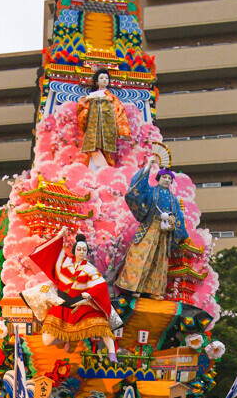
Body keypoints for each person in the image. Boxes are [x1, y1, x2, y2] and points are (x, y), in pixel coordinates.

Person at [22, 231, 121, 361]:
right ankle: (67, 338)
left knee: (102, 326)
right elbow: (50, 252)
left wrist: (89, 294)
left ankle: (112, 353)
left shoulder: (90, 269)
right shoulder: (64, 261)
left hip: (80, 304)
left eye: (84, 249)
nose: (81, 252)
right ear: (74, 250)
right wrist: (59, 236)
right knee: (46, 340)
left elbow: (100, 286)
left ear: (87, 252)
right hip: (62, 303)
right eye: (79, 249)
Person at [116, 159, 190, 300]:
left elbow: (179, 217)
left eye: (169, 178)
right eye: (164, 177)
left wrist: (174, 223)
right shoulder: (150, 191)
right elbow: (136, 192)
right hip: (149, 229)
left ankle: (154, 291)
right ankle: (134, 288)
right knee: (141, 257)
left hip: (165, 234)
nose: (167, 180)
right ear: (158, 178)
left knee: (159, 263)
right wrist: (147, 167)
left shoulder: (173, 199)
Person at [75, 67, 131, 168]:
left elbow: (119, 113)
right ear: (96, 81)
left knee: (107, 154)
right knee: (93, 151)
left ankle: (106, 172)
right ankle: (93, 171)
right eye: (101, 78)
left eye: (106, 78)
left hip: (107, 130)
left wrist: (123, 132)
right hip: (93, 130)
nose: (104, 80)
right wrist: (87, 99)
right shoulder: (91, 96)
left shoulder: (112, 98)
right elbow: (80, 109)